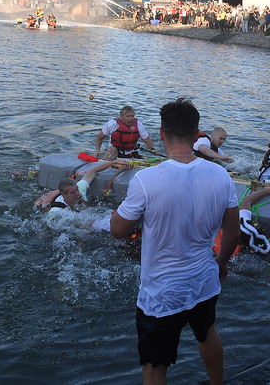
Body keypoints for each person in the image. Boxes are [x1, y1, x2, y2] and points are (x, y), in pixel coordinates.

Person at [110, 98, 239, 385]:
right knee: (207, 333)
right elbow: (233, 232)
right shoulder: (221, 175)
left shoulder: (147, 180)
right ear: (197, 135)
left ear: (161, 133)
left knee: (155, 365)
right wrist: (221, 263)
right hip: (204, 280)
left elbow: (118, 230)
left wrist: (117, 213)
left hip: (161, 293)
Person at [34, 160, 114, 215]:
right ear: (64, 195)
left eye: (77, 190)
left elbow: (93, 171)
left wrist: (114, 162)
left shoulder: (79, 191)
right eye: (72, 193)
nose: (77, 194)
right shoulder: (56, 211)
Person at [95, 105, 160, 160]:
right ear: (121, 116)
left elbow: (147, 140)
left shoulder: (138, 124)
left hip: (130, 151)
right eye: (128, 116)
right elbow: (99, 138)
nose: (130, 118)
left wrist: (152, 149)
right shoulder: (112, 124)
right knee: (111, 150)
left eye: (132, 116)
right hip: (115, 150)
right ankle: (106, 162)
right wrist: (98, 150)